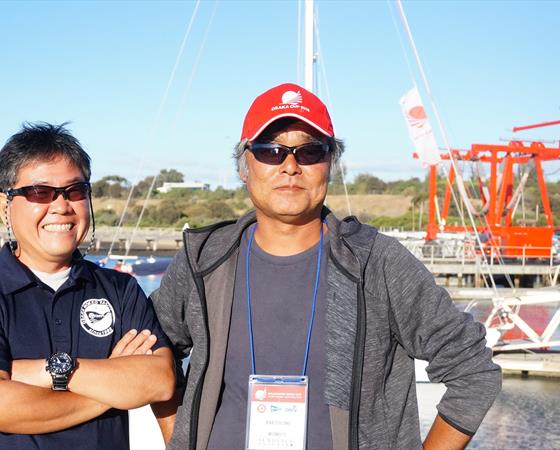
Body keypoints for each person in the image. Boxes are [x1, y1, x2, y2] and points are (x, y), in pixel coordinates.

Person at [150, 83, 501, 450]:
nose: (290, 167)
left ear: (330, 164)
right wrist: (179, 438)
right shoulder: (203, 261)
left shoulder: (377, 264)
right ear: (244, 166)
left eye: (309, 151)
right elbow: (153, 355)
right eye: (270, 151)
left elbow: (474, 370)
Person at [0, 122, 175, 449]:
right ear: (4, 205)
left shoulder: (121, 290)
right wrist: (112, 391)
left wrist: (44, 372)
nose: (61, 206)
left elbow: (159, 381)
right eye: (39, 192)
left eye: (75, 191)